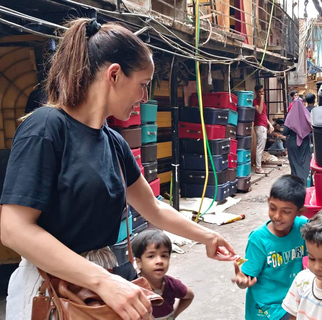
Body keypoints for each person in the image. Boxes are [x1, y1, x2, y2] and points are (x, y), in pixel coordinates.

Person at [0, 18, 235, 320]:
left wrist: (207, 237)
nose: (144, 97)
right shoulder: (46, 127)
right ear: (114, 74)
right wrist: (103, 281)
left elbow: (154, 209)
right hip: (52, 290)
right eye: (143, 84)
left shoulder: (112, 141)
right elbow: (13, 228)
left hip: (98, 284)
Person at [232, 175, 308, 320]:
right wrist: (242, 281)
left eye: (286, 211)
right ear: (268, 201)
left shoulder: (303, 227)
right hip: (267, 309)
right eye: (273, 208)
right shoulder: (258, 239)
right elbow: (246, 279)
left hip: (294, 301)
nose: (277, 216)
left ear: (300, 211)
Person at [132, 229, 194, 320]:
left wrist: (173, 315)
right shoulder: (134, 289)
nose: (159, 261)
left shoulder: (171, 284)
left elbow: (189, 296)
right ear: (138, 262)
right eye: (151, 256)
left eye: (164, 256)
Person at [283, 98, 312, 185]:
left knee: (295, 163)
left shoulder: (290, 116)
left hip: (293, 142)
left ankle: (296, 183)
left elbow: (285, 132)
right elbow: (312, 128)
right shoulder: (307, 114)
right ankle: (306, 182)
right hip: (305, 142)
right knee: (305, 163)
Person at [253, 84, 274, 174]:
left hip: (264, 125)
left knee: (261, 146)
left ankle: (259, 166)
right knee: (260, 147)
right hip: (259, 125)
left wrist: (270, 125)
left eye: (262, 91)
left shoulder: (263, 103)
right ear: (256, 93)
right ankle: (258, 168)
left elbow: (264, 115)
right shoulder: (255, 101)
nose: (262, 93)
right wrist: (261, 100)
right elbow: (259, 111)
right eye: (260, 92)